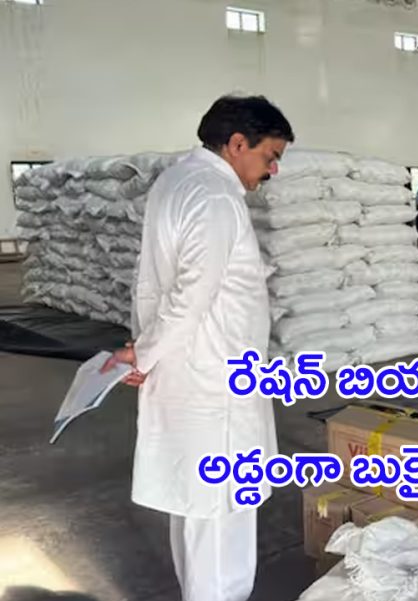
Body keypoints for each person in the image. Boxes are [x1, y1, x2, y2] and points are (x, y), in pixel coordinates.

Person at [100, 95, 293, 601]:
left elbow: (151, 284)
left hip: (188, 375)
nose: (272, 170)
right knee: (221, 521)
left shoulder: (175, 183)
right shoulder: (216, 197)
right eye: (270, 156)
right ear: (237, 144)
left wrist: (146, 348)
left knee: (195, 511)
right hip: (215, 384)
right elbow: (192, 294)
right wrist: (144, 353)